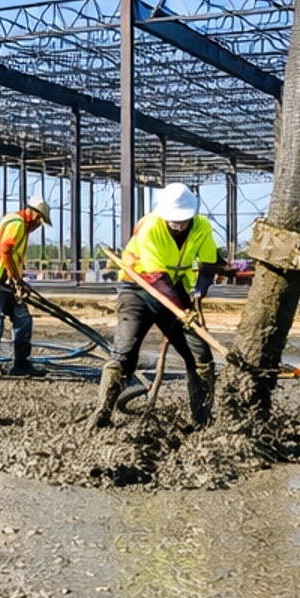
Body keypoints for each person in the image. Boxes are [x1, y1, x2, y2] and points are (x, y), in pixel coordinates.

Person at [94, 182, 218, 427]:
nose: (178, 224)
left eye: (183, 220)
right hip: (139, 289)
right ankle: (101, 415)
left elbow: (208, 264)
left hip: (174, 289)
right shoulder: (150, 226)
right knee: (125, 354)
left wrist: (199, 292)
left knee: (200, 355)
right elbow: (155, 278)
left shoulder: (202, 227)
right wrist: (183, 312)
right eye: (173, 219)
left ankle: (202, 421)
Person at [0, 195, 53, 377]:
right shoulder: (17, 222)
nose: (39, 225)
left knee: (23, 319)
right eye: (40, 220)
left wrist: (18, 280)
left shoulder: (22, 227)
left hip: (7, 280)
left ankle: (21, 364)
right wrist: (15, 279)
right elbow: (5, 251)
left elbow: (13, 257)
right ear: (34, 215)